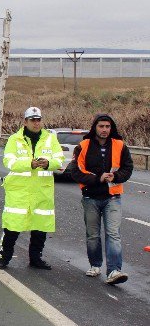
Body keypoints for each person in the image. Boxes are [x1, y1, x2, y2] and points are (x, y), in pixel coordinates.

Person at [0, 107, 64, 270]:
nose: (36, 123)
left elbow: (60, 159)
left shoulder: (50, 138)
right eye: (32, 120)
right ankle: (4, 258)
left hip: (42, 192)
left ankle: (35, 259)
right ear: (25, 122)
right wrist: (29, 164)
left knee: (40, 228)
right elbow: (9, 162)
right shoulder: (15, 139)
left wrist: (48, 163)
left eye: (38, 120)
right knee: (12, 227)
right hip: (20, 192)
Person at [69, 114, 133, 285]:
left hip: (113, 197)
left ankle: (114, 270)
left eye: (107, 127)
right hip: (90, 197)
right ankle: (95, 264)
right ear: (95, 127)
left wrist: (116, 176)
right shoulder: (83, 146)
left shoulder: (120, 145)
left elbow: (128, 168)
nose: (104, 130)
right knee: (93, 235)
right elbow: (75, 172)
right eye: (101, 126)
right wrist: (98, 178)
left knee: (113, 234)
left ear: (111, 128)